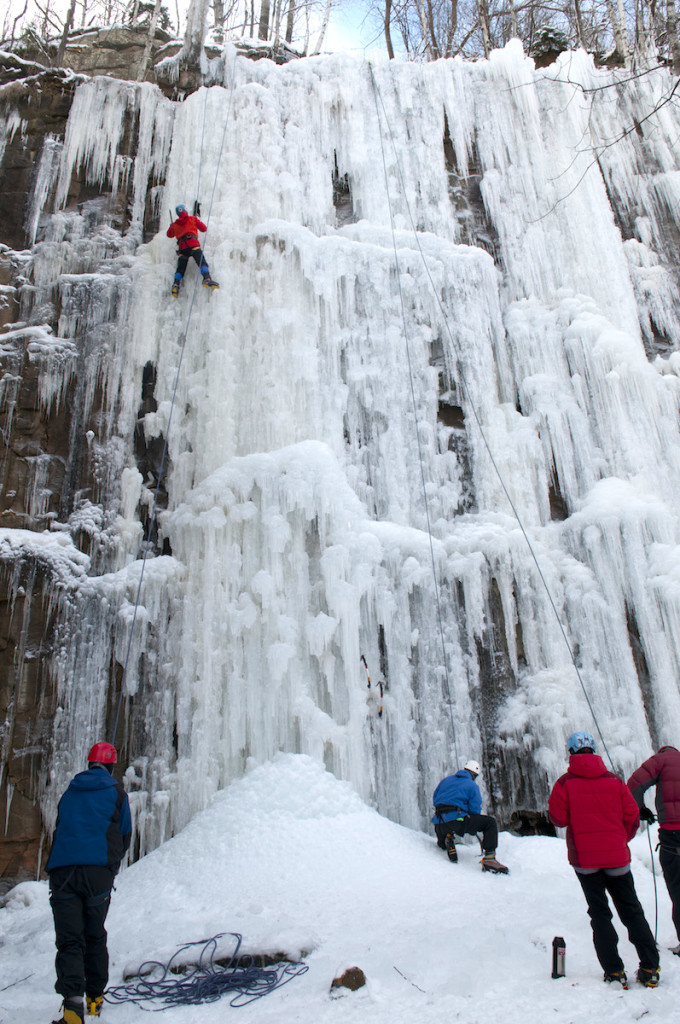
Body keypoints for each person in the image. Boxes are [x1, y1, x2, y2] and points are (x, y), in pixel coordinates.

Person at [548, 730, 659, 988]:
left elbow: (558, 819)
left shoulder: (564, 783)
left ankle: (614, 972)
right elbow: (632, 816)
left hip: (586, 863)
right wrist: (621, 840)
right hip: (617, 858)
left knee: (599, 913)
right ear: (594, 750)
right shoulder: (615, 781)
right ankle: (650, 968)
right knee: (631, 910)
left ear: (571, 753)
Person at [46, 742, 132, 1024]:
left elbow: (60, 828)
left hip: (64, 872)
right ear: (110, 766)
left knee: (70, 940)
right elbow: (124, 835)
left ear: (89, 763)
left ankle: (72, 1008)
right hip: (96, 873)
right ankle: (95, 999)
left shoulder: (70, 792)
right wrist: (110, 869)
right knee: (94, 934)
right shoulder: (116, 793)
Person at [627, 745, 680, 955]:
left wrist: (641, 810)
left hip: (672, 838)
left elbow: (633, 786)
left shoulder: (659, 761)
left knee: (678, 891)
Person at [431, 759, 509, 873]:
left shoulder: (445, 781)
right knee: (490, 823)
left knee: (446, 831)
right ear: (474, 774)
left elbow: (435, 799)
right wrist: (472, 824)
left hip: (439, 823)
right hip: (457, 820)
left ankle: (445, 839)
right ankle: (490, 859)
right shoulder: (471, 785)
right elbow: (474, 809)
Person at [166, 204, 218, 295]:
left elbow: (169, 235)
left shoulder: (175, 224)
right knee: (202, 262)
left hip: (182, 248)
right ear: (185, 210)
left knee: (180, 268)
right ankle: (206, 278)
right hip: (193, 245)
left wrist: (171, 227)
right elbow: (204, 228)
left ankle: (176, 284)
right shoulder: (192, 219)